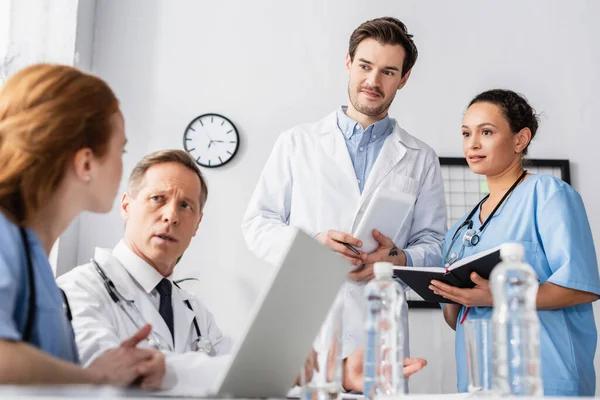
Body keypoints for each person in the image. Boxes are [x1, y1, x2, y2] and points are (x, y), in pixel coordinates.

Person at [241, 16, 443, 390]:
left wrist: (399, 259)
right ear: (348, 63)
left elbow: (435, 244)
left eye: (388, 71)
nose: (373, 81)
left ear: (404, 78)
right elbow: (256, 224)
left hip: (378, 320)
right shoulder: (297, 142)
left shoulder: (420, 157)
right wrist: (312, 245)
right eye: (365, 66)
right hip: (307, 322)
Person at [0, 64, 164, 387]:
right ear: (86, 162)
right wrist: (94, 376)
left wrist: (111, 371)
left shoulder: (34, 257)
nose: (123, 164)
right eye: (122, 149)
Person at [429, 89, 600, 396]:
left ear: (520, 140)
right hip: (479, 382)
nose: (473, 144)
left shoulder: (548, 195)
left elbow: (581, 285)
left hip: (546, 380)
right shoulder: (459, 229)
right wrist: (452, 294)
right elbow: (456, 319)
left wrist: (499, 295)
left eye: (487, 132)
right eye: (467, 133)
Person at [57, 150, 233, 393]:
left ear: (197, 225)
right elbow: (102, 368)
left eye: (185, 205)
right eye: (158, 198)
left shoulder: (195, 311)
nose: (171, 216)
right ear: (127, 206)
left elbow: (239, 368)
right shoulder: (77, 289)